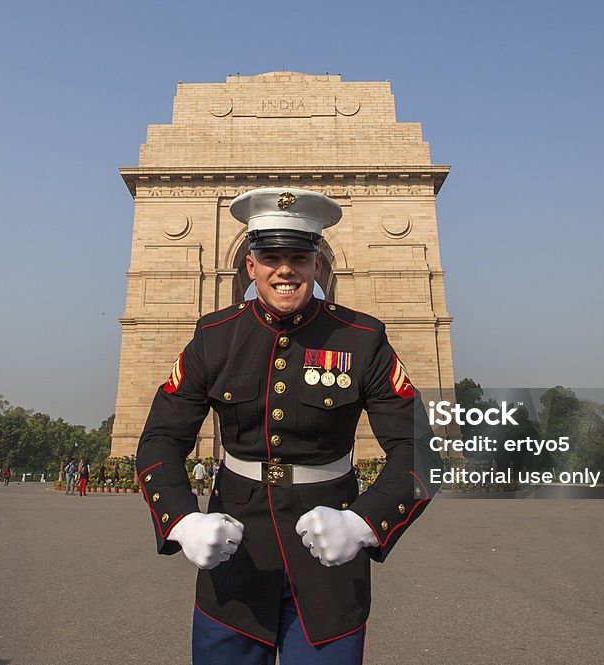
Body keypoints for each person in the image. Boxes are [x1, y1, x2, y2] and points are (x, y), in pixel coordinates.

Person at [136, 188, 439, 665]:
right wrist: (182, 518)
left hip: (330, 554)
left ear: (318, 266)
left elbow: (420, 447)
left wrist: (363, 523)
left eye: (298, 256)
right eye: (270, 256)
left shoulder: (363, 340)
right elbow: (161, 438)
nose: (285, 269)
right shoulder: (214, 337)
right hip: (235, 554)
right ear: (249, 265)